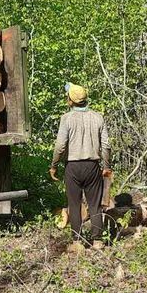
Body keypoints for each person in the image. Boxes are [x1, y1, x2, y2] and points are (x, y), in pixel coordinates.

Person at [49, 83, 111, 252]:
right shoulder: (98, 117)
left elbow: (60, 146)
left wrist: (54, 165)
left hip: (73, 167)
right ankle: (98, 241)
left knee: (74, 204)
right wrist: (107, 166)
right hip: (92, 166)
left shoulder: (66, 119)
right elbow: (106, 145)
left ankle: (77, 241)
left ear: (71, 101)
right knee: (95, 205)